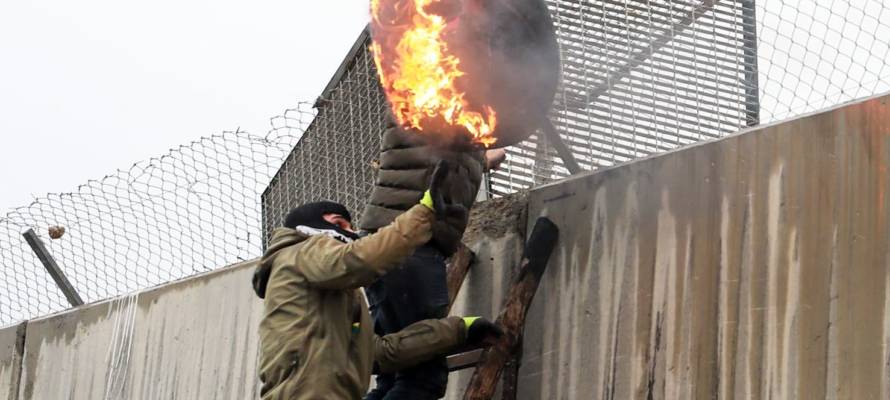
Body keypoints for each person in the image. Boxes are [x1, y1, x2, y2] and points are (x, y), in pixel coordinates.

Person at [252, 162, 503, 400]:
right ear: (308, 228)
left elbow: (380, 353)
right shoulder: (298, 251)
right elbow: (361, 259)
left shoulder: (333, 300)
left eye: (351, 226)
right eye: (339, 225)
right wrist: (425, 212)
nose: (350, 233)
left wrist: (460, 329)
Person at [360, 122, 505, 400]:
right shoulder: (431, 104)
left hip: (387, 244)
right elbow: (442, 161)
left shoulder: (432, 105)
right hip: (410, 243)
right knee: (422, 377)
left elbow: (445, 166)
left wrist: (483, 160)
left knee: (394, 374)